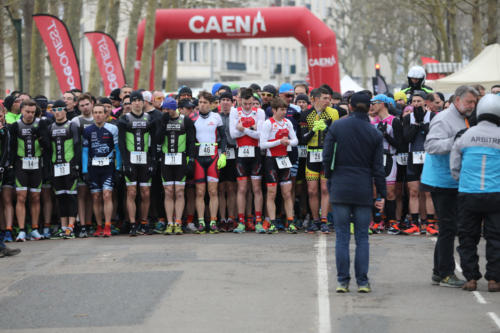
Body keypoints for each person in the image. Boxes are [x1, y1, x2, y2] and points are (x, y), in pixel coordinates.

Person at [323, 92, 386, 293]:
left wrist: (331, 180)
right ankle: (363, 281)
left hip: (340, 185)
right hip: (362, 188)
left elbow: (326, 158)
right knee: (362, 238)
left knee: (341, 236)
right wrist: (381, 194)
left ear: (349, 106)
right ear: (369, 108)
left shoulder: (337, 126)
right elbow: (378, 168)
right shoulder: (374, 133)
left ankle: (342, 281)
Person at [420, 85, 479, 288]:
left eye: (475, 102)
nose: (473, 105)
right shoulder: (444, 118)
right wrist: (456, 140)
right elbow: (430, 146)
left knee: (448, 227)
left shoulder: (464, 117)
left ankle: (439, 272)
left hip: (452, 180)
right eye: (469, 102)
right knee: (448, 228)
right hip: (441, 180)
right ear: (457, 100)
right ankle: (445, 273)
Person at [450, 93, 500, 292]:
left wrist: (460, 180)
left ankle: (470, 278)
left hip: (468, 193)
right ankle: (494, 280)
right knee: (496, 238)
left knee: (467, 237)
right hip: (496, 193)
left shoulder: (466, 135)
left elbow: (454, 164)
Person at [9, 100, 50, 241]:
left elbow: (47, 146)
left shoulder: (41, 124)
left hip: (37, 164)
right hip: (21, 164)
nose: (30, 115)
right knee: (21, 197)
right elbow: (12, 148)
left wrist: (39, 136)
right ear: (21, 111)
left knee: (35, 197)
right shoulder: (15, 126)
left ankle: (34, 229)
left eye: (33, 112)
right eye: (27, 112)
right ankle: (21, 230)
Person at [299, 87, 339, 233]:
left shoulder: (333, 113)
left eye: (329, 98)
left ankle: (324, 220)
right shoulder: (306, 115)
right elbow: (302, 140)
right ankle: (315, 220)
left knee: (324, 188)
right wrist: (313, 131)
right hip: (311, 154)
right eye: (324, 98)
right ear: (315, 99)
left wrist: (328, 129)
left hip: (326, 154)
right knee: (312, 191)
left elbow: (336, 135)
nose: (328, 101)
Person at [118, 91, 156, 236]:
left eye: (139, 100)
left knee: (146, 193)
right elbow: (121, 144)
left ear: (143, 102)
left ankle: (144, 223)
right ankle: (133, 223)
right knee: (132, 192)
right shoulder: (124, 120)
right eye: (134, 100)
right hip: (130, 160)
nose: (137, 103)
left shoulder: (149, 119)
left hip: (145, 160)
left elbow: (153, 142)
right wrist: (125, 163)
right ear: (130, 103)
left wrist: (153, 161)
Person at [156, 97, 195, 235]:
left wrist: (191, 160)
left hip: (180, 158)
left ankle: (178, 222)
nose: (166, 111)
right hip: (166, 159)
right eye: (164, 109)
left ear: (175, 108)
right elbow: (158, 140)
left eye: (168, 109)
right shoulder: (162, 120)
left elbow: (191, 141)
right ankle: (169, 223)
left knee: (179, 191)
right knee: (168, 191)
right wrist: (163, 124)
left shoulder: (185, 120)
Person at [259, 97, 299, 233]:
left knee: (287, 193)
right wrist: (279, 142)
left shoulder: (287, 122)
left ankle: (290, 222)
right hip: (271, 161)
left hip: (284, 160)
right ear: (274, 110)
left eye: (285, 109)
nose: (284, 112)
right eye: (282, 110)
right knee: (272, 193)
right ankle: (273, 222)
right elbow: (262, 144)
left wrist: (288, 142)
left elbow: (296, 141)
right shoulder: (268, 123)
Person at [229, 88, 266, 233]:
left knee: (256, 189)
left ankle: (257, 221)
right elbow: (233, 134)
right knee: (242, 189)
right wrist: (252, 127)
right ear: (240, 101)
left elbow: (260, 135)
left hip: (255, 153)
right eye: (245, 104)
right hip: (241, 153)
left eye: (250, 103)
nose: (248, 107)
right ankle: (241, 222)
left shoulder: (259, 112)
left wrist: (244, 128)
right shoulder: (234, 111)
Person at [82, 104, 121, 238]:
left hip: (108, 168)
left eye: (100, 112)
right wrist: (84, 170)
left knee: (107, 195)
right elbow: (85, 151)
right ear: (93, 114)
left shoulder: (113, 129)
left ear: (106, 114)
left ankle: (108, 225)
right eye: (96, 112)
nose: (98, 115)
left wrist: (118, 168)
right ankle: (98, 226)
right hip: (93, 169)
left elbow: (118, 150)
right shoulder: (87, 130)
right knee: (96, 197)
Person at [191, 91, 227, 233]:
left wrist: (222, 154)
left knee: (213, 191)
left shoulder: (216, 117)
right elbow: (190, 140)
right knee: (200, 192)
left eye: (205, 102)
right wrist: (190, 158)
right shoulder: (192, 117)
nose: (202, 105)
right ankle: (201, 222)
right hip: (199, 158)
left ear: (211, 104)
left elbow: (223, 137)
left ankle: (213, 221)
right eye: (200, 102)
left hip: (213, 157)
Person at [401, 91, 436, 234]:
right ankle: (415, 222)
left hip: (428, 156)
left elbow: (433, 135)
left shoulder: (433, 116)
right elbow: (406, 138)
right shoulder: (408, 118)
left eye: (419, 101)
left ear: (425, 102)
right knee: (414, 191)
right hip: (412, 157)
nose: (416, 104)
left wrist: (424, 124)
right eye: (414, 101)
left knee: (428, 192)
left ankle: (430, 224)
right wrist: (416, 124)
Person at [370, 94, 403, 234]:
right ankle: (378, 221)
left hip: (390, 158)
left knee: (390, 193)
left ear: (382, 104)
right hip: (375, 159)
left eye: (374, 103)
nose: (371, 106)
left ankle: (392, 222)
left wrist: (386, 136)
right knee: (374, 191)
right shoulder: (372, 122)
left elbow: (400, 145)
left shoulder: (394, 121)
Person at [48, 101, 81, 239]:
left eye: (60, 109)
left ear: (65, 111)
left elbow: (77, 145)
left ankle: (71, 227)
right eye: (54, 109)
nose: (57, 112)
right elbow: (49, 150)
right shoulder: (50, 127)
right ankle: (63, 227)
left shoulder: (72, 126)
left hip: (70, 166)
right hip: (56, 166)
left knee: (71, 196)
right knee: (60, 197)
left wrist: (76, 166)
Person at [71, 94, 95, 237]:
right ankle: (82, 225)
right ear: (78, 107)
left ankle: (89, 222)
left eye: (87, 104)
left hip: (98, 161)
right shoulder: (76, 121)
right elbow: (74, 144)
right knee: (81, 194)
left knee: (93, 195)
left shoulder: (98, 117)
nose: (85, 107)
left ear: (92, 104)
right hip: (81, 162)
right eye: (82, 105)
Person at [218, 92, 238, 232]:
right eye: (223, 100)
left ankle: (231, 217)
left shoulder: (236, 116)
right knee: (220, 188)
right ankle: (221, 218)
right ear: (219, 102)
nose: (225, 102)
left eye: (228, 100)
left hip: (233, 152)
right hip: (218, 153)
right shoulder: (216, 116)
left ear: (233, 102)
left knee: (231, 187)